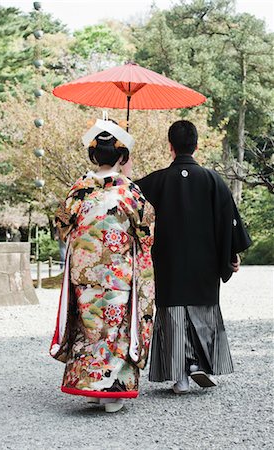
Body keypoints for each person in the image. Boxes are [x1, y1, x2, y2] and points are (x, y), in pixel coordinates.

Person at [134, 120, 251, 394]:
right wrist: (230, 255)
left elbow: (130, 202)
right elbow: (227, 221)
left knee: (174, 313)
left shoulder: (156, 180)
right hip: (205, 262)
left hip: (169, 262)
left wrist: (125, 168)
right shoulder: (212, 180)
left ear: (170, 147)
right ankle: (199, 363)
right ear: (196, 146)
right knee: (201, 310)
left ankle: (180, 377)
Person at [50, 118, 155, 412]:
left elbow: (62, 224)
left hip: (83, 272)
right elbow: (146, 231)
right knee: (116, 326)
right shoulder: (130, 193)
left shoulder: (78, 191)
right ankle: (112, 390)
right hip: (118, 270)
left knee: (89, 327)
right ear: (122, 158)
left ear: (93, 157)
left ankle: (92, 387)